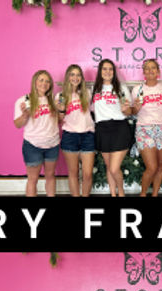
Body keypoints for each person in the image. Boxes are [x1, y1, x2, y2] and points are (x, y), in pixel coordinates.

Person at [90, 59, 134, 197]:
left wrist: (126, 109)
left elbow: (129, 112)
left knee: (114, 168)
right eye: (104, 69)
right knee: (109, 167)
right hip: (102, 129)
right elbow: (90, 110)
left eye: (110, 69)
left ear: (114, 72)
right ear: (100, 71)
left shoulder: (121, 88)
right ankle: (113, 194)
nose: (107, 72)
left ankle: (121, 192)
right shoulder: (94, 89)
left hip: (119, 128)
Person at [14, 70, 61, 197]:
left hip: (52, 145)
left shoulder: (54, 100)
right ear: (35, 82)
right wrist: (25, 115)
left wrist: (61, 112)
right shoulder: (24, 100)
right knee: (33, 179)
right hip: (33, 146)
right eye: (41, 80)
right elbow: (17, 124)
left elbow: (58, 121)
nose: (44, 83)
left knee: (50, 176)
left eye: (47, 81)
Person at [132, 59, 162, 197]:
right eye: (147, 68)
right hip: (144, 128)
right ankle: (143, 194)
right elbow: (133, 112)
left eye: (153, 68)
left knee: (160, 165)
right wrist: (136, 108)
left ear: (158, 71)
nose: (150, 71)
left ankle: (155, 194)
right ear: (143, 72)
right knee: (152, 167)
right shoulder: (137, 89)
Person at [57, 64, 95, 197]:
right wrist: (61, 110)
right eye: (72, 74)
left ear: (81, 78)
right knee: (73, 173)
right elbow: (59, 120)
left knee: (87, 174)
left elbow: (95, 111)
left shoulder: (87, 93)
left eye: (78, 75)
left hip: (88, 135)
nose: (75, 77)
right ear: (68, 77)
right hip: (70, 136)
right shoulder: (61, 95)